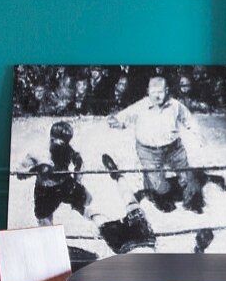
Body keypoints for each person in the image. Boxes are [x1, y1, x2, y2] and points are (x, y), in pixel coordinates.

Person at [108, 76, 204, 213]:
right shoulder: (141, 106)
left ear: (166, 90)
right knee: (161, 189)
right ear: (148, 91)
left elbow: (188, 119)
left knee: (188, 179)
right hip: (149, 152)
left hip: (174, 148)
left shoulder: (175, 105)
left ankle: (190, 201)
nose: (157, 96)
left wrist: (197, 135)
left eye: (160, 92)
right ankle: (152, 184)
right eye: (153, 92)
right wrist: (116, 120)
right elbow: (125, 116)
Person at [16, 120, 100, 225]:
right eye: (61, 143)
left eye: (67, 142)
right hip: (45, 191)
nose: (64, 146)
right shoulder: (37, 152)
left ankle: (103, 224)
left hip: (65, 183)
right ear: (52, 139)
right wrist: (36, 169)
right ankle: (50, 238)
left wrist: (78, 177)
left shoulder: (68, 149)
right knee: (44, 223)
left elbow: (79, 166)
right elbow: (19, 173)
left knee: (88, 201)